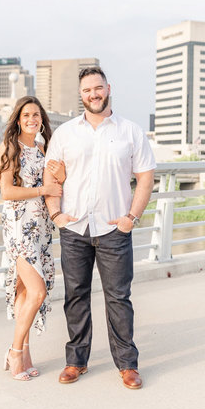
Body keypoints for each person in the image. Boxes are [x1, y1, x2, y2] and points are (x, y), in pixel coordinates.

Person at [44, 66, 156, 390]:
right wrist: (56, 215)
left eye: (97, 88)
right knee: (75, 296)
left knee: (119, 298)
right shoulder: (65, 133)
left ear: (108, 88)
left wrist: (131, 218)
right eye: (87, 90)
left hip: (114, 230)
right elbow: (51, 175)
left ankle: (127, 365)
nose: (93, 94)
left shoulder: (131, 132)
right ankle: (76, 361)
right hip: (74, 228)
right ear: (81, 95)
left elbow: (145, 177)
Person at [0, 96, 66, 381]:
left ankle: (24, 354)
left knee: (26, 293)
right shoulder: (10, 147)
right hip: (18, 227)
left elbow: (56, 183)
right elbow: (7, 192)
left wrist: (61, 177)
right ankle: (14, 352)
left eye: (36, 115)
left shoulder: (43, 148)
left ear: (42, 119)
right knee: (37, 292)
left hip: (41, 228)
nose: (31, 119)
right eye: (26, 115)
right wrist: (42, 191)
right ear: (18, 119)